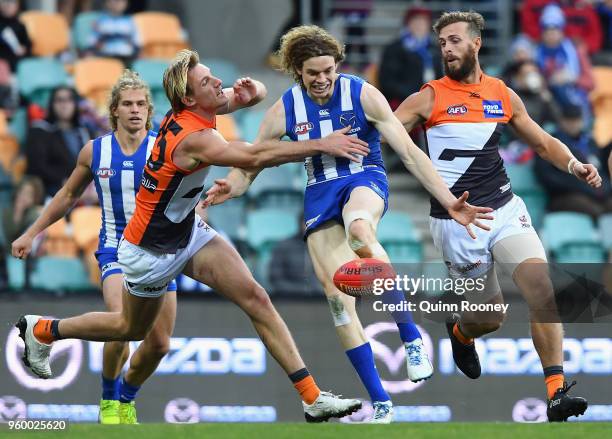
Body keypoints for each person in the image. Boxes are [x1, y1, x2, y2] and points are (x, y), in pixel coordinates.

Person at [14, 49, 370, 423]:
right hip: (147, 251)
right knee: (127, 328)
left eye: (214, 76)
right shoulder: (190, 139)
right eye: (207, 81)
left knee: (256, 298)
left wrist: (255, 94)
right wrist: (321, 144)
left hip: (186, 232)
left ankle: (311, 397)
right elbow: (253, 157)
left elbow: (248, 93)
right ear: (188, 98)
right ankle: (44, 329)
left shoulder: (198, 108)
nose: (218, 83)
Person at [203, 25, 493, 423]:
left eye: (328, 71)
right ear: (297, 72)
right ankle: (382, 404)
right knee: (338, 301)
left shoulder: (362, 93)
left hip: (364, 178)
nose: (321, 80)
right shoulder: (285, 109)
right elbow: (253, 163)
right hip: (319, 192)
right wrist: (230, 187)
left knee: (360, 230)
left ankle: (410, 339)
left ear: (337, 65)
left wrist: (448, 200)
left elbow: (408, 152)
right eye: (312, 73)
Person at [393, 11, 601, 422]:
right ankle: (460, 331)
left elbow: (543, 142)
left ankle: (556, 391)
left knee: (542, 288)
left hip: (504, 210)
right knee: (490, 317)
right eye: (442, 43)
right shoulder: (428, 97)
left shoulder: (503, 94)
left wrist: (575, 164)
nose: (447, 49)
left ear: (476, 43)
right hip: (456, 222)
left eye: (454, 40)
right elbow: (384, 128)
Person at [14, 70, 178, 424]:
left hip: (160, 253)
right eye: (127, 104)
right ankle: (108, 402)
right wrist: (32, 233)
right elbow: (68, 195)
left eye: (140, 104)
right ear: (114, 110)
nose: (134, 110)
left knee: (160, 344)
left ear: (149, 111)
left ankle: (126, 397)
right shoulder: (96, 150)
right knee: (121, 325)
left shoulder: (163, 150)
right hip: (116, 249)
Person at [535, 104, 612, 218]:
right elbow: (546, 176)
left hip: (595, 194)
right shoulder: (551, 142)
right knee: (596, 210)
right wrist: (581, 187)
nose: (573, 124)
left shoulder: (589, 142)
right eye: (569, 120)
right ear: (561, 120)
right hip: (564, 196)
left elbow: (602, 165)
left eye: (576, 120)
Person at [25, 86, 92, 198]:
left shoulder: (84, 132)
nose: (64, 105)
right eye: (59, 100)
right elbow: (37, 166)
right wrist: (64, 181)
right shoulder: (40, 130)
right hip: (50, 189)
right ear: (52, 104)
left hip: (83, 189)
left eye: (69, 100)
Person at [379, 6, 442, 111]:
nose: (419, 25)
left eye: (423, 22)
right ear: (408, 23)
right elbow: (388, 82)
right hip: (403, 101)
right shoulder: (395, 48)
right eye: (416, 21)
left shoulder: (433, 48)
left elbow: (440, 77)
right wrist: (415, 96)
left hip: (431, 99)